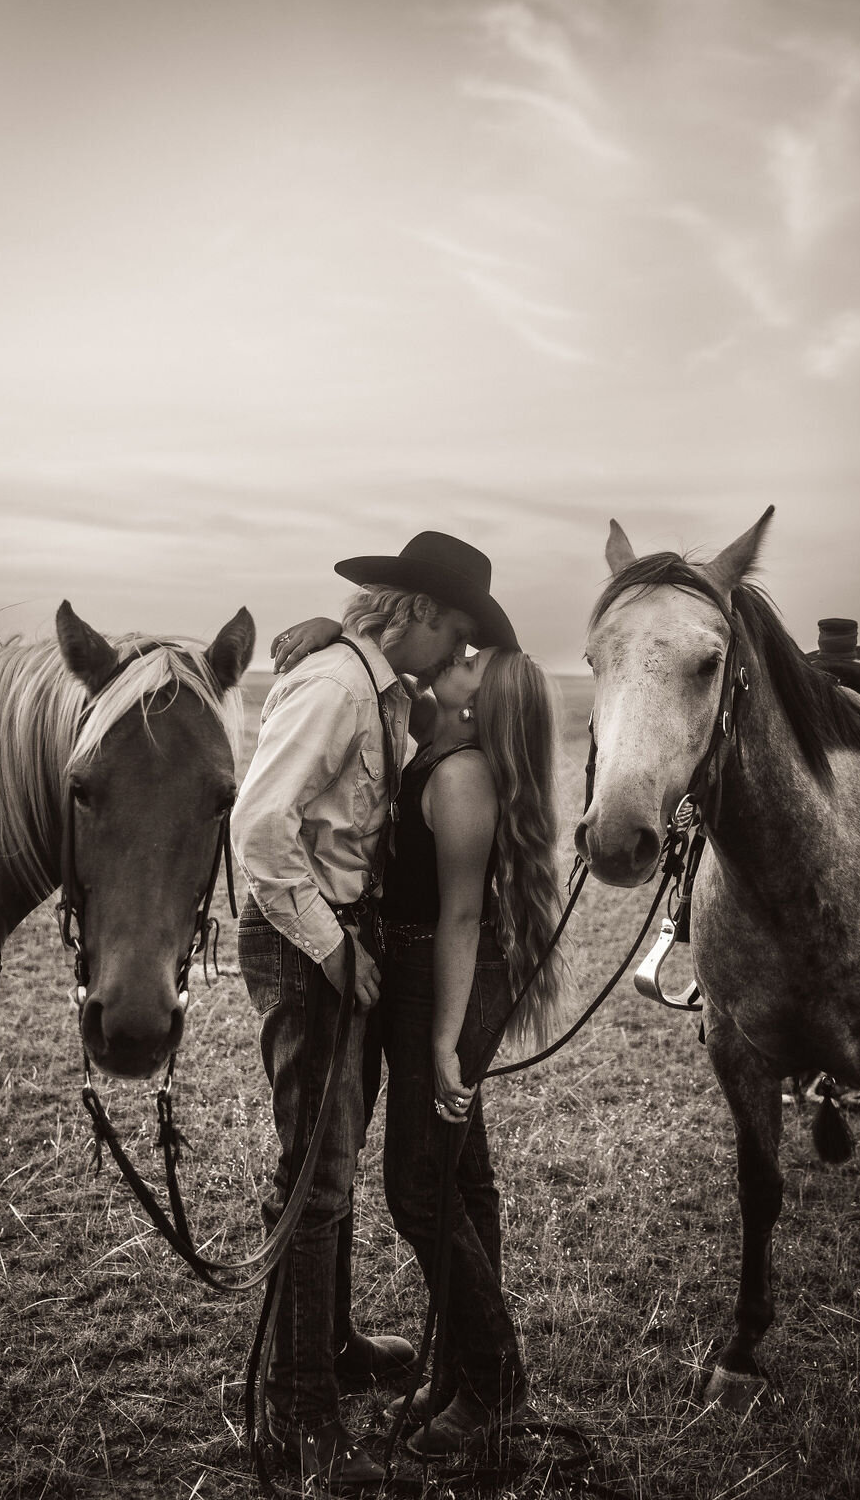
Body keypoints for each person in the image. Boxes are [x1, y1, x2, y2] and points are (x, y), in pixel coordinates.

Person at [231, 531, 518, 1491]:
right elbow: (260, 827)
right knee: (315, 1180)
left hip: (338, 937)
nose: (461, 655)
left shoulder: (375, 688)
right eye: (462, 634)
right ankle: (303, 1424)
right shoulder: (341, 688)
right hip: (311, 938)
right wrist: (331, 943)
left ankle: (337, 1347)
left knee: (328, 1166)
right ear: (426, 614)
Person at [270, 623, 576, 1461]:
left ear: (486, 703)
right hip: (422, 969)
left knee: (418, 1187)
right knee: (458, 1174)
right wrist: (335, 630)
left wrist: (443, 1041)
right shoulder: (428, 744)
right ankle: (464, 1379)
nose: (460, 659)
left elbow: (462, 918)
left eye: (474, 663)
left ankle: (492, 1387)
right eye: (461, 649)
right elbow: (384, 665)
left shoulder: (465, 775)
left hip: (445, 975)